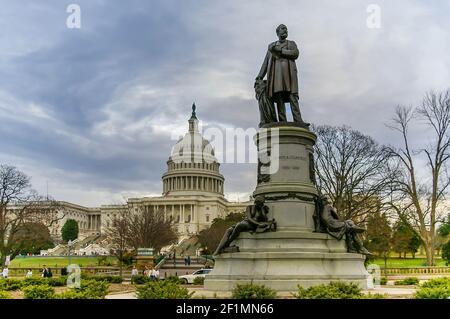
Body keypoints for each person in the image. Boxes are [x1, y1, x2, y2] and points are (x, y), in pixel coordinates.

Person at [256, 24, 307, 125]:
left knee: (293, 97)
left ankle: (298, 120)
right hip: (276, 76)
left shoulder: (291, 43)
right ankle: (282, 121)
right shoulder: (271, 46)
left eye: (286, 29)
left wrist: (281, 51)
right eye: (283, 29)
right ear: (277, 32)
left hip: (289, 74)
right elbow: (265, 63)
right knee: (279, 97)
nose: (285, 31)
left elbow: (295, 53)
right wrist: (260, 76)